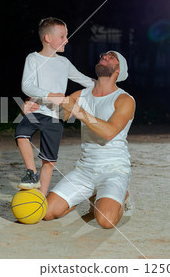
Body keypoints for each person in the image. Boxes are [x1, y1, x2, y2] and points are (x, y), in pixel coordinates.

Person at [37, 50, 135, 229]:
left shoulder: (124, 99)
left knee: (105, 221)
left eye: (111, 57)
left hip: (114, 169)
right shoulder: (81, 95)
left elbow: (109, 131)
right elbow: (58, 115)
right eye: (103, 56)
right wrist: (36, 105)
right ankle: (93, 196)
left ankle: (124, 197)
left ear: (118, 71)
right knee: (47, 212)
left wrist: (78, 111)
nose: (104, 57)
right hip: (84, 169)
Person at [15, 17, 94, 196]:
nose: (66, 40)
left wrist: (106, 84)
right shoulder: (33, 58)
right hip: (36, 110)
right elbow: (26, 86)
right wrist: (50, 95)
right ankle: (31, 173)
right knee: (21, 135)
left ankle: (40, 198)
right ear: (48, 38)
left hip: (55, 115)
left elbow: (84, 80)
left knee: (49, 161)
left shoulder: (64, 63)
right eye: (62, 36)